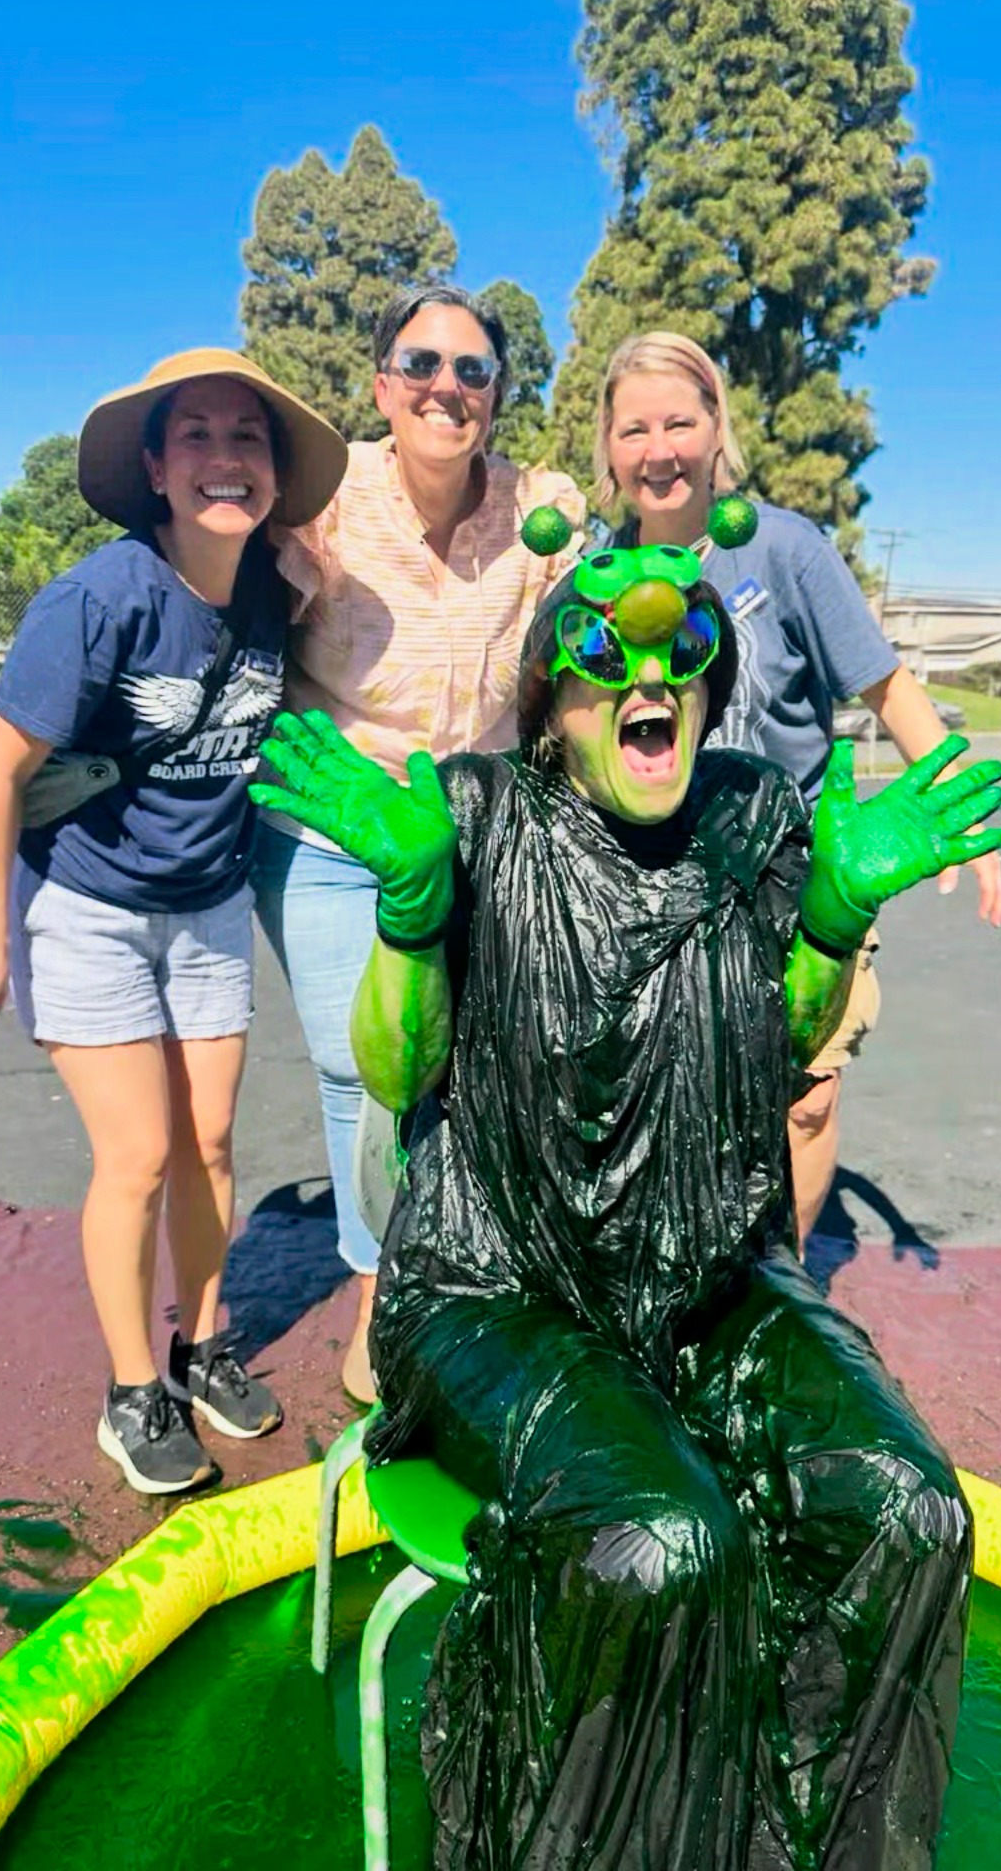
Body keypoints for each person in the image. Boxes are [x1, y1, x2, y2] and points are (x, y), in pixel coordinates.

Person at [252, 541, 1001, 1869]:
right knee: (657, 1542)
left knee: (909, 1508)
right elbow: (400, 1073)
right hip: (497, 1287)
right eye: (606, 655)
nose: (648, 677)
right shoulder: (477, 814)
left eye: (683, 650)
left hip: (713, 1274)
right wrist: (413, 911)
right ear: (555, 701)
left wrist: (831, 921)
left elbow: (787, 1049)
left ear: (711, 684)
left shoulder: (752, 815)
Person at [0, 348, 347, 1494]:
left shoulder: (275, 588)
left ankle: (202, 1348)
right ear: (154, 467)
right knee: (138, 1155)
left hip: (207, 906)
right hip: (87, 906)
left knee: (211, 1146)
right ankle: (132, 1391)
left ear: (274, 474)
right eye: (196, 434)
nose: (224, 458)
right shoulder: (99, 600)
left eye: (248, 438)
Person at [593, 331, 1001, 1242]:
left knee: (805, 1099)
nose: (659, 450)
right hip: (658, 881)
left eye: (679, 423)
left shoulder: (783, 548)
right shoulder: (598, 563)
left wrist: (961, 813)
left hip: (796, 873)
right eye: (634, 430)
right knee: (670, 1093)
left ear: (716, 429)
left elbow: (887, 688)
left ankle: (783, 1278)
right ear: (609, 448)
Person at [253, 282, 583, 1403]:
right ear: (384, 385)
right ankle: (377, 1298)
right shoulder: (324, 504)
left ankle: (479, 1282)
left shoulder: (544, 509)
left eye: (473, 369)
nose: (448, 387)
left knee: (478, 1062)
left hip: (479, 831)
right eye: (423, 365)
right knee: (369, 1069)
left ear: (498, 390)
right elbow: (235, 627)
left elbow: (577, 658)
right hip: (335, 834)